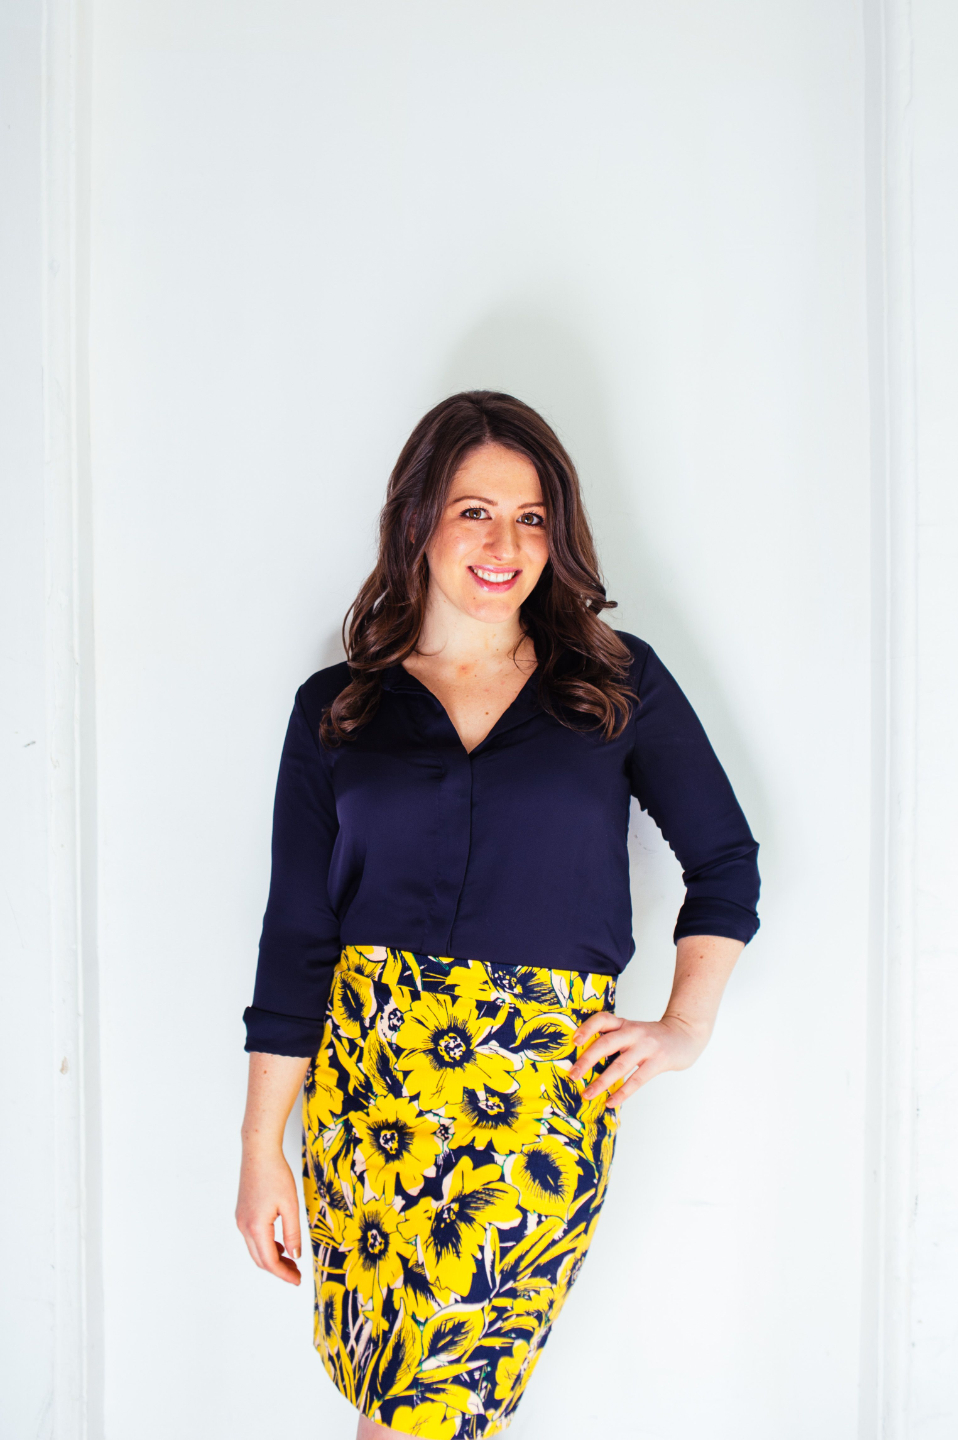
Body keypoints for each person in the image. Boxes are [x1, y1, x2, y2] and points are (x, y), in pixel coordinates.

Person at [236, 391, 760, 1440]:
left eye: (531, 518)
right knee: (395, 1401)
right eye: (473, 511)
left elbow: (724, 862)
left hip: (534, 1106)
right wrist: (260, 1150)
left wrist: (683, 1026)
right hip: (369, 1095)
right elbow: (297, 939)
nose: (504, 544)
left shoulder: (615, 684)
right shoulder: (337, 707)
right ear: (417, 520)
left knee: (433, 1407)